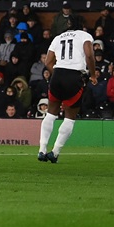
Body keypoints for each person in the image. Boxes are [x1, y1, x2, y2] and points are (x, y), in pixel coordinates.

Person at [38, 14, 96, 162]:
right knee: (70, 117)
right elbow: (89, 55)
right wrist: (93, 75)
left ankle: (42, 149)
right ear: (82, 25)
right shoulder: (84, 35)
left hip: (57, 75)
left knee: (51, 114)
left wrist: (57, 73)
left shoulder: (58, 37)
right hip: (74, 76)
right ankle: (55, 152)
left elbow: (48, 61)